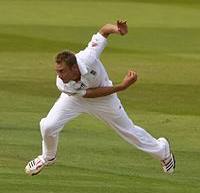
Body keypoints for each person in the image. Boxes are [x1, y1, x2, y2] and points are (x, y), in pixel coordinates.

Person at [25, 20, 175, 176]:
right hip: (76, 98)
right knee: (48, 126)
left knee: (127, 130)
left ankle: (163, 151)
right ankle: (48, 157)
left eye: (62, 71)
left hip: (105, 99)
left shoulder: (88, 57)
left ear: (74, 67)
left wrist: (117, 30)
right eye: (57, 71)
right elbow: (89, 94)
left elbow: (104, 31)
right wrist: (122, 86)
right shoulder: (63, 84)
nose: (59, 75)